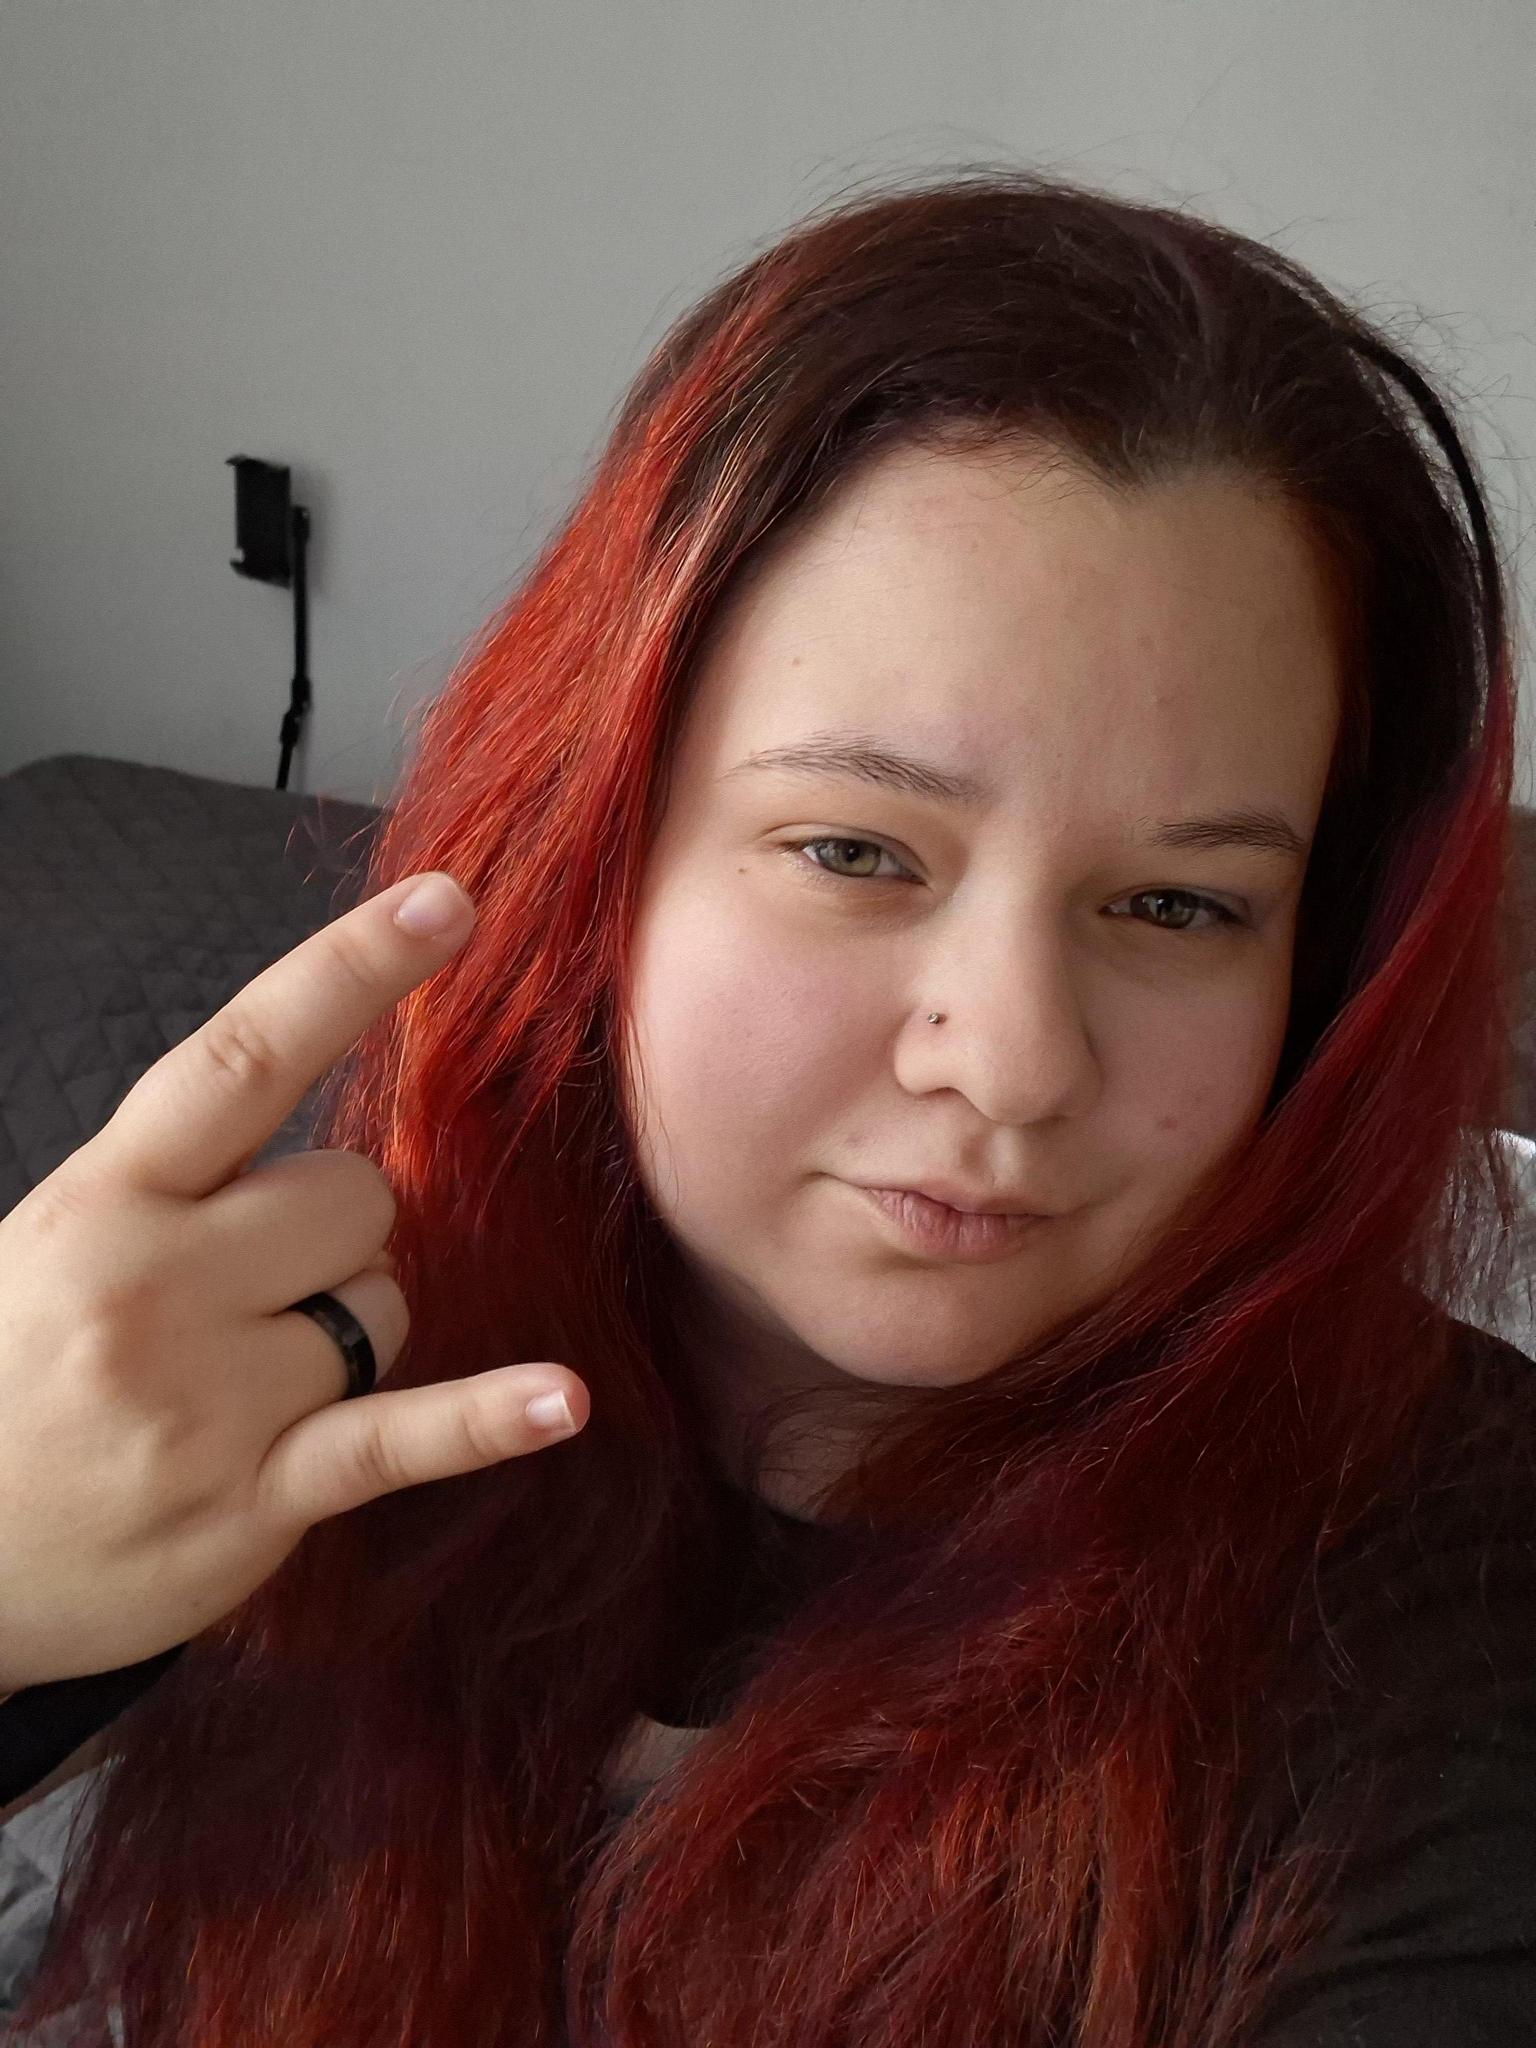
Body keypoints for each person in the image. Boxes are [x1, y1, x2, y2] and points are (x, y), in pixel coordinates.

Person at [2, 164, 1534, 2047]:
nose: (1012, 1063)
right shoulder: (291, 1386)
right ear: (594, 853)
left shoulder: (1447, 1601)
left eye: (1176, 906)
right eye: (857, 851)